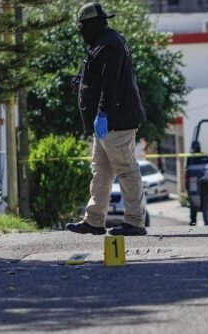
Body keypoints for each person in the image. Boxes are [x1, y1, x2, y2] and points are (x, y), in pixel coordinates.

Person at [66, 2, 147, 236]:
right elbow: (98, 75)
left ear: (90, 25)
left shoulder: (109, 45)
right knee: (101, 171)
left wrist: (102, 113)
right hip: (105, 123)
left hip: (115, 121)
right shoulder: (103, 42)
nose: (80, 31)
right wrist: (81, 82)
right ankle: (94, 220)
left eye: (81, 26)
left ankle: (134, 221)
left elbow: (110, 85)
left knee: (126, 169)